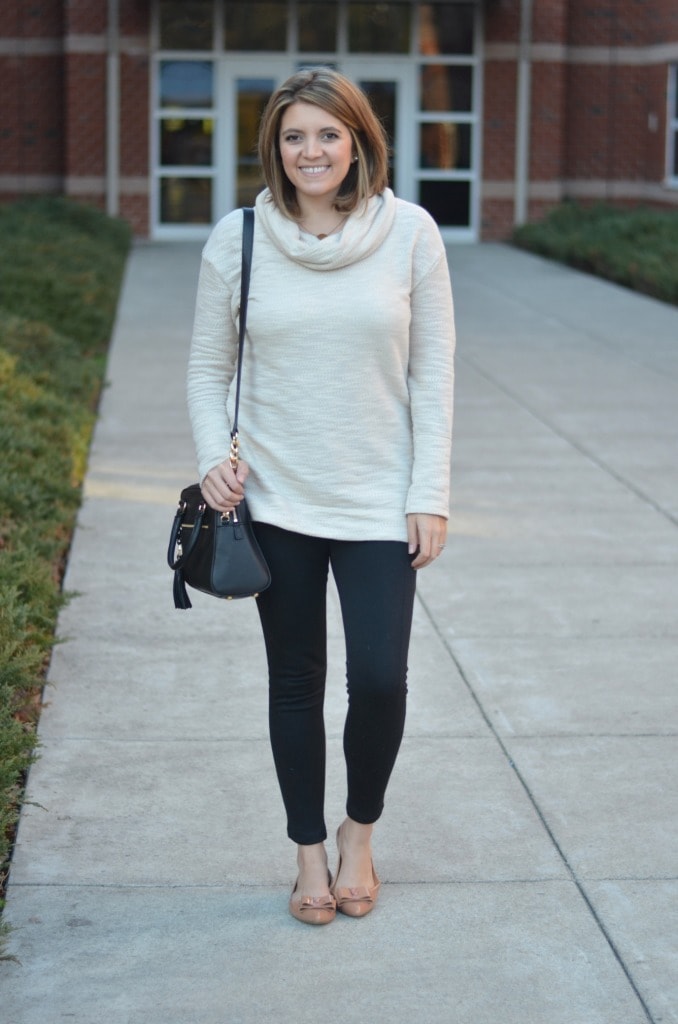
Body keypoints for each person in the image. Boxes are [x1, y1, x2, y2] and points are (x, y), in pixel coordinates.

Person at [187, 67, 455, 926]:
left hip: (379, 499)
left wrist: (431, 491)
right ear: (275, 146)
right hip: (276, 499)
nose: (312, 151)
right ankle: (308, 852)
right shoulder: (238, 240)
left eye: (328, 134)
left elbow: (435, 374)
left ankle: (359, 833)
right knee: (295, 681)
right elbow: (206, 368)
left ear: (358, 142)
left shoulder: (411, 233)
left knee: (380, 680)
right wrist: (208, 460)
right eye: (295, 136)